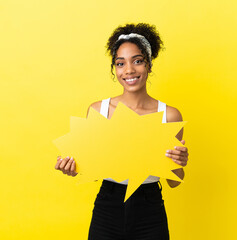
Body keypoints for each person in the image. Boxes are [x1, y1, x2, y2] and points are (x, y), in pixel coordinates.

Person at [55, 23, 189, 240]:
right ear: (114, 69)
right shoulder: (99, 110)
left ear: (149, 65)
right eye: (120, 63)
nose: (128, 70)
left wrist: (180, 164)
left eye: (137, 61)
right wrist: (71, 167)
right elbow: (86, 165)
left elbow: (174, 182)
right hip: (108, 206)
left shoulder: (169, 115)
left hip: (150, 210)